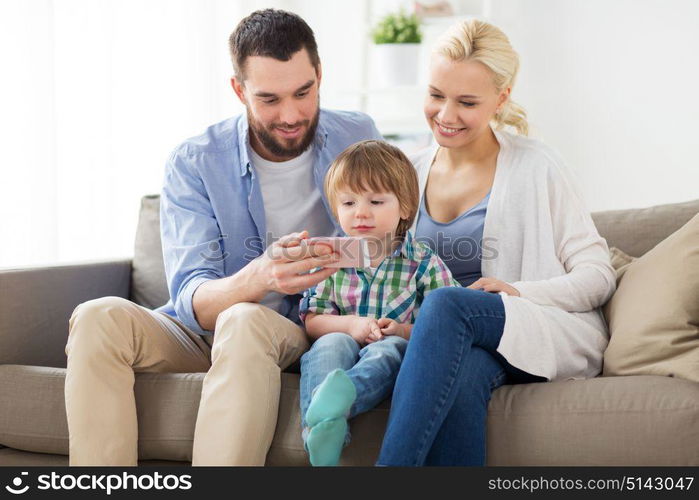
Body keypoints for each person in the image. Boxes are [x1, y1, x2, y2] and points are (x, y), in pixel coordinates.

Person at [63, 8, 383, 466]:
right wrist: (261, 275)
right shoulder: (195, 161)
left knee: (245, 320)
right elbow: (194, 298)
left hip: (299, 329)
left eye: (303, 92)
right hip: (204, 330)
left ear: (319, 74)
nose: (291, 114)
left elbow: (392, 240)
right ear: (239, 89)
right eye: (268, 99)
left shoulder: (359, 136)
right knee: (97, 316)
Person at [376, 19, 616, 466]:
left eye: (467, 102)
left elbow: (598, 277)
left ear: (501, 98)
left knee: (447, 304)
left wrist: (518, 291)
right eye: (435, 95)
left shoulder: (536, 165)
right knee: (464, 376)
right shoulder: (406, 171)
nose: (446, 116)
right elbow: (381, 261)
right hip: (455, 345)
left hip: (533, 326)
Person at [297, 140, 459, 466]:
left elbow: (447, 326)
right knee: (330, 343)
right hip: (341, 340)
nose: (360, 212)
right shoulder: (331, 259)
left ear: (405, 208)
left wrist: (400, 329)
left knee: (387, 350)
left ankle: (338, 403)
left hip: (389, 345)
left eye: (375, 201)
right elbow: (312, 319)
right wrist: (351, 325)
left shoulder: (423, 262)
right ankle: (321, 431)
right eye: (348, 202)